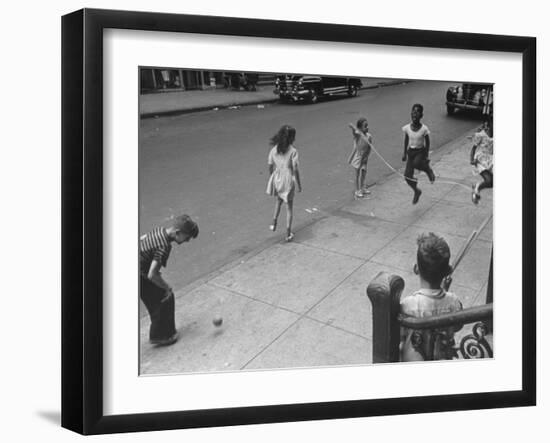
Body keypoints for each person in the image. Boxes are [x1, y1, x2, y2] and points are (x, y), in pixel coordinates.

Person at [399, 233, 463, 361]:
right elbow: (458, 326)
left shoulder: (407, 306)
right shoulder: (454, 302)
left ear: (416, 269)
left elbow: (400, 335)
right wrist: (445, 292)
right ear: (448, 271)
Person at [140, 214, 199, 346]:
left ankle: (161, 333)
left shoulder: (160, 231)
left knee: (158, 298)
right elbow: (152, 275)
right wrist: (167, 287)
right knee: (166, 296)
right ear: (178, 233)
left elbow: (142, 238)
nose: (187, 241)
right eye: (187, 237)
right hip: (140, 275)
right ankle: (162, 336)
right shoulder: (164, 246)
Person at [266, 124, 302, 242]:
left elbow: (270, 165)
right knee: (289, 208)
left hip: (277, 178)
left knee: (278, 200)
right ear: (292, 138)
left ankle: (274, 221)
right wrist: (299, 184)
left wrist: (272, 176)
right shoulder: (293, 151)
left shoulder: (274, 150)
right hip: (288, 180)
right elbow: (295, 169)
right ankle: (288, 233)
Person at [402, 103, 435, 204]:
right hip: (410, 152)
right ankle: (416, 191)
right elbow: (406, 140)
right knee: (407, 176)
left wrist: (426, 155)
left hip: (420, 151)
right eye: (413, 112)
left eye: (417, 112)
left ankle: (428, 170)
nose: (414, 114)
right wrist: (404, 153)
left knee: (417, 163)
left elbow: (427, 142)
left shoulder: (424, 129)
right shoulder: (407, 128)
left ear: (421, 115)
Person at [348, 118, 373, 198]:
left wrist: (367, 156)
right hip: (358, 158)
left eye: (367, 125)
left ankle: (362, 188)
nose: (367, 127)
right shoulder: (358, 136)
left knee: (364, 173)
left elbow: (369, 147)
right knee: (357, 174)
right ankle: (357, 190)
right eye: (365, 126)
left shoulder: (369, 136)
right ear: (360, 128)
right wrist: (353, 128)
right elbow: (355, 133)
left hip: (364, 158)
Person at [470, 116, 494, 204]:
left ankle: (477, 187)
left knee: (492, 183)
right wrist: (472, 159)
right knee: (489, 180)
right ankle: (476, 189)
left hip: (491, 160)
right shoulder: (481, 135)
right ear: (488, 124)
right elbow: (473, 148)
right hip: (480, 160)